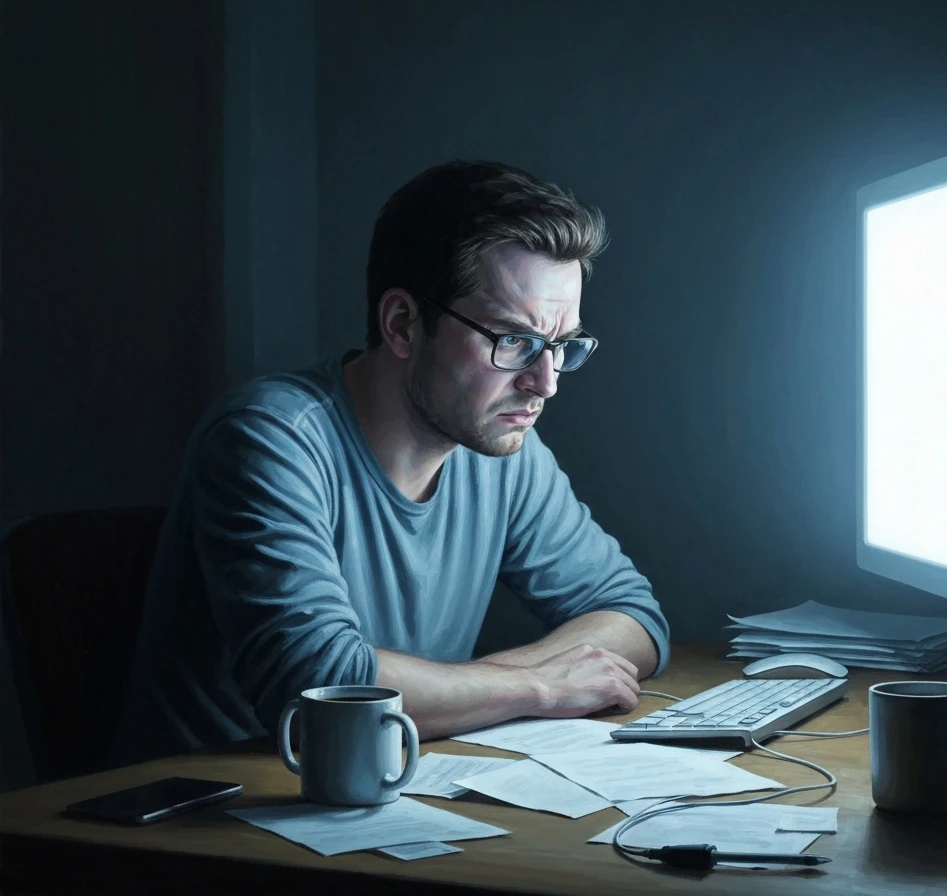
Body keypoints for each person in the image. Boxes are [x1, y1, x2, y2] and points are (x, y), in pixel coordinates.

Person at [111, 160, 670, 766]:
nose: (544, 384)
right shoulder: (270, 438)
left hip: (385, 793)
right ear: (403, 324)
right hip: (215, 820)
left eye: (561, 347)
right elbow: (322, 685)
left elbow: (632, 616)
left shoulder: (498, 446)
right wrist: (539, 685)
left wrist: (469, 688)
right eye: (513, 341)